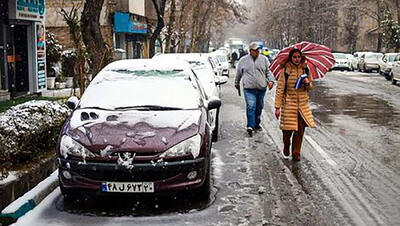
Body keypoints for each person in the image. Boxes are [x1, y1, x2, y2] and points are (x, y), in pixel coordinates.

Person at [274, 49, 315, 161]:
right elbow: (280, 89)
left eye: (298, 57)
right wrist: (277, 107)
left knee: (300, 130)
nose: (297, 59)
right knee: (287, 131)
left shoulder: (305, 69)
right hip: (289, 104)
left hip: (302, 105)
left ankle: (296, 152)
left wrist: (307, 84)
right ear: (290, 58)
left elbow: (310, 86)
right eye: (294, 57)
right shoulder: (285, 70)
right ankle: (286, 145)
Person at [235, 42, 275, 136]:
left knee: (259, 107)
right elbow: (239, 73)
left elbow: (268, 72)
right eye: (254, 50)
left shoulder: (264, 59)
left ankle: (257, 123)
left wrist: (271, 81)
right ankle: (250, 126)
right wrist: (236, 82)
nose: (257, 52)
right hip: (249, 88)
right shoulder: (243, 60)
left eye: (258, 50)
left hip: (261, 88)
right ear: (250, 51)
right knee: (251, 106)